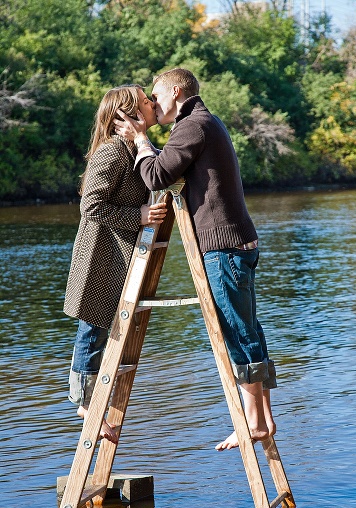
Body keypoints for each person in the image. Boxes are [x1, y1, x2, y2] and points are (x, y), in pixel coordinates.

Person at [113, 68, 278, 451]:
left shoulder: (192, 125)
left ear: (176, 92)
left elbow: (156, 177)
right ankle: (265, 419)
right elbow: (170, 168)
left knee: (237, 331)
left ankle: (254, 423)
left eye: (156, 97)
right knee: (249, 329)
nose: (153, 105)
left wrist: (140, 139)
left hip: (223, 248)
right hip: (237, 243)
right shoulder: (205, 122)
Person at [64, 84, 167, 442]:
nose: (153, 103)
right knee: (92, 328)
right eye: (146, 101)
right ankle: (83, 403)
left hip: (118, 253)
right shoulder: (111, 152)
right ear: (129, 114)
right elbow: (89, 206)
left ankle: (91, 401)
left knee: (100, 328)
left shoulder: (134, 148)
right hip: (98, 255)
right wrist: (138, 215)